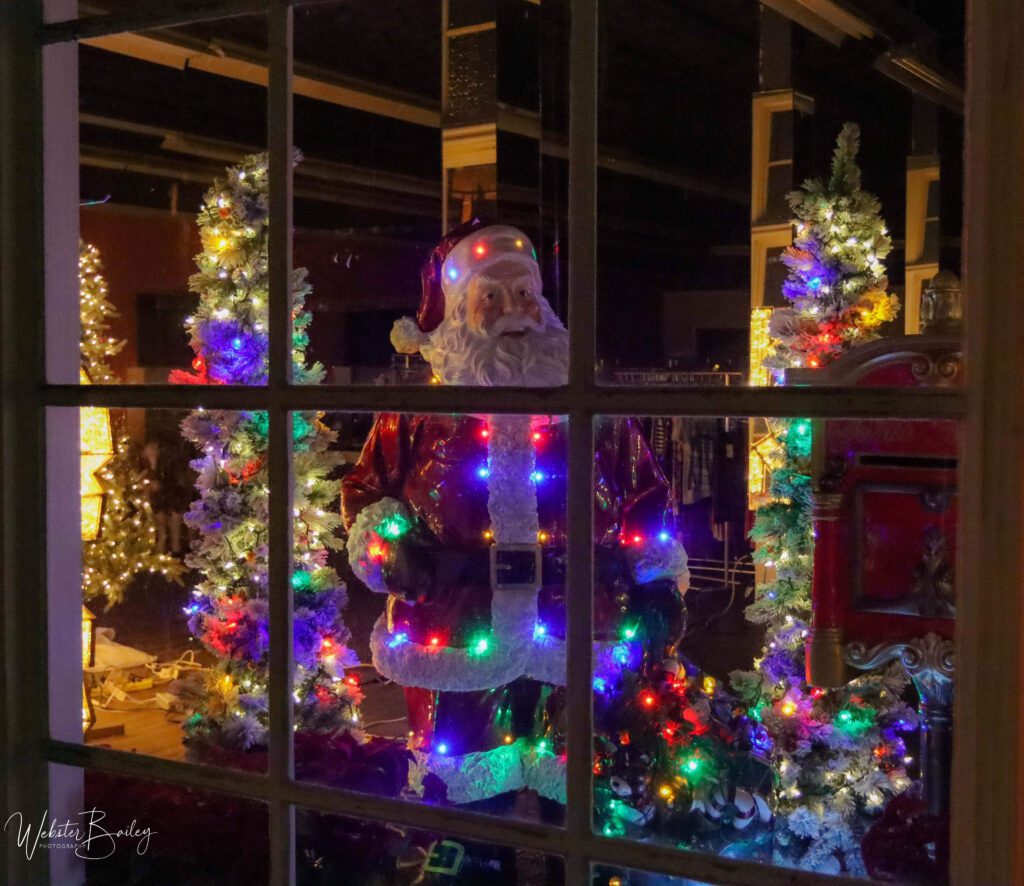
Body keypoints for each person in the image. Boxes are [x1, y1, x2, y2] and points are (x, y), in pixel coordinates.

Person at [341, 221, 688, 878]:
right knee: (468, 813)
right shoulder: (414, 416)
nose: (513, 312)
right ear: (455, 310)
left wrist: (657, 582)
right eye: (491, 297)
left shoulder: (595, 412)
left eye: (523, 294)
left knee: (586, 807)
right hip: (457, 637)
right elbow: (366, 491)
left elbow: (647, 498)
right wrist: (389, 546)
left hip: (579, 631)